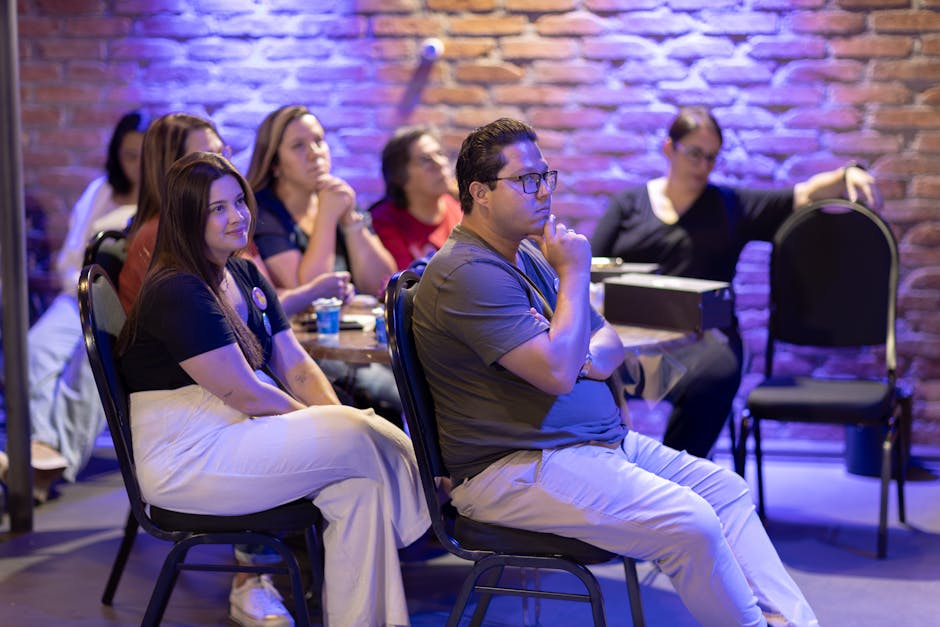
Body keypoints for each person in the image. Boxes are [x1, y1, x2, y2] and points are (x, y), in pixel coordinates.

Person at [413, 118, 819, 626]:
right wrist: (575, 276)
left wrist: (575, 352)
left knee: (726, 491)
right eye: (526, 180)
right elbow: (558, 375)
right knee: (690, 522)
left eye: (545, 176)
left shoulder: (529, 256)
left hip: (587, 446)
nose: (543, 191)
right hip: (515, 468)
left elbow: (606, 342)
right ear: (481, 193)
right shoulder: (467, 272)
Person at [117, 152, 428, 627]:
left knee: (359, 488)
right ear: (185, 217)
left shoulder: (243, 273)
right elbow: (248, 394)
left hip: (237, 436)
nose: (237, 216)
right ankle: (434, 497)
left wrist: (331, 420)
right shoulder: (177, 289)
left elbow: (298, 368)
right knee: (353, 428)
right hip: (188, 457)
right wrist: (330, 424)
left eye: (239, 201)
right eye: (216, 209)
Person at [591, 105, 883, 458]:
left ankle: (677, 482)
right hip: (634, 346)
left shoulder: (729, 204)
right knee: (583, 370)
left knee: (714, 375)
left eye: (711, 158)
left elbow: (801, 195)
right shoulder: (628, 204)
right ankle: (607, 478)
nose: (702, 166)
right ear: (669, 148)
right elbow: (590, 268)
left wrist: (848, 173)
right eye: (695, 154)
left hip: (701, 343)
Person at [0, 110, 148, 501]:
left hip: (121, 306)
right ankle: (42, 456)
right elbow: (72, 253)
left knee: (90, 365)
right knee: (33, 350)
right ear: (117, 153)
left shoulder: (158, 203)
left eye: (145, 155)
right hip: (76, 294)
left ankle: (47, 463)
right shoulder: (100, 191)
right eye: (130, 154)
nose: (137, 164)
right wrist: (76, 288)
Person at [246, 105, 400, 421]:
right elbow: (306, 289)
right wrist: (328, 216)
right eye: (298, 146)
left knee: (419, 378)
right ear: (275, 164)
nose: (315, 153)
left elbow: (382, 282)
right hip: (304, 350)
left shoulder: (336, 198)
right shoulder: (263, 210)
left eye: (319, 141)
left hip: (353, 339)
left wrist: (351, 223)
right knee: (392, 394)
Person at [118, 113, 228, 312]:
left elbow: (258, 297)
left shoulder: (226, 219)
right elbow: (202, 319)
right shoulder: (157, 236)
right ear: (172, 170)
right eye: (208, 159)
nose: (223, 168)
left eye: (223, 154)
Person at [370, 125, 462, 271]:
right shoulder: (383, 221)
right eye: (425, 159)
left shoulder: (460, 207)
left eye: (440, 153)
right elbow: (404, 285)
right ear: (400, 177)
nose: (440, 163)